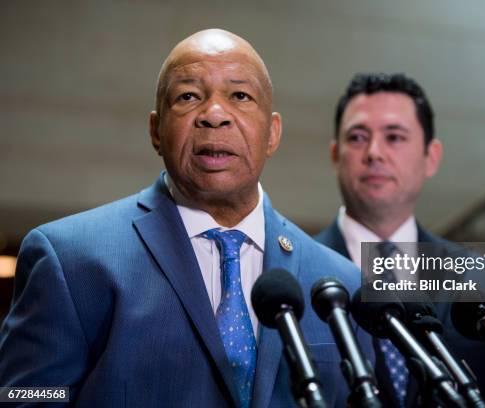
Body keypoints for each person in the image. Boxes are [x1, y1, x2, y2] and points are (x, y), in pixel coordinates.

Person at [0, 29, 373, 408]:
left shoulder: (341, 283)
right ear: (156, 130)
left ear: (272, 133)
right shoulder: (70, 260)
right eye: (188, 96)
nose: (214, 115)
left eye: (240, 96)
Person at [315, 73, 485, 406]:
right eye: (357, 137)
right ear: (335, 155)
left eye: (394, 137)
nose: (374, 152)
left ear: (431, 157)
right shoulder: (294, 272)